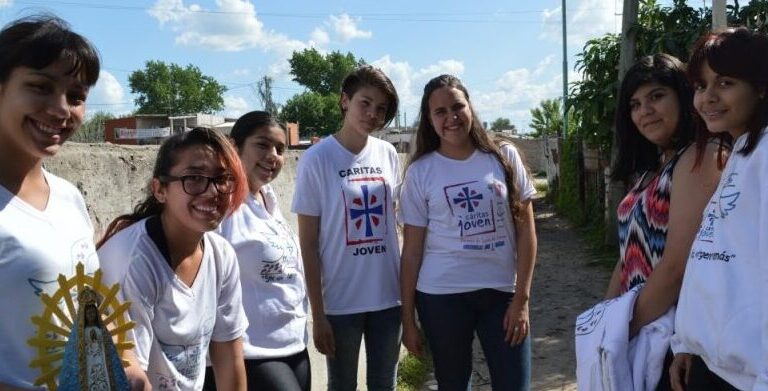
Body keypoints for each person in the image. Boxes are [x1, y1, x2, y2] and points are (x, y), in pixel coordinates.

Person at [0, 15, 146, 390]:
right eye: (40, 87)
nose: (62, 109)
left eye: (77, 96)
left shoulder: (68, 197)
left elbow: (89, 303)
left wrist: (126, 364)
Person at [399, 74, 537, 391]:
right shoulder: (421, 172)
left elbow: (526, 232)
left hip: (501, 294)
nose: (451, 117)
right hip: (440, 297)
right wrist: (408, 321)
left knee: (515, 384)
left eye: (457, 106)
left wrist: (522, 299)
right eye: (440, 111)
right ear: (429, 120)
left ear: (470, 107)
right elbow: (412, 252)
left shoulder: (503, 157)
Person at [600, 53, 726, 389]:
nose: (644, 111)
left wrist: (621, 328)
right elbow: (628, 254)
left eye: (656, 96)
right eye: (635, 104)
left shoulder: (701, 156)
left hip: (676, 336)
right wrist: (605, 317)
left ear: (683, 98)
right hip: (643, 327)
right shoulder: (650, 169)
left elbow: (676, 267)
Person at [97, 127, 250, 390]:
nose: (213, 191)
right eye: (194, 178)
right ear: (160, 190)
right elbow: (130, 374)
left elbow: (229, 356)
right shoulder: (135, 260)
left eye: (223, 178)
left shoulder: (221, 254)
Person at [291, 65, 402, 391]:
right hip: (340, 303)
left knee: (385, 384)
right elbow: (308, 243)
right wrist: (318, 314)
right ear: (344, 101)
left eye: (381, 109)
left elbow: (396, 226)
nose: (372, 114)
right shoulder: (317, 158)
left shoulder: (388, 154)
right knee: (342, 386)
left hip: (387, 298)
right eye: (364, 103)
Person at [669, 27, 768, 391]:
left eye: (725, 83)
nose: (707, 97)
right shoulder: (742, 152)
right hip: (714, 365)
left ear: (760, 86)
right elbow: (712, 261)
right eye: (700, 85)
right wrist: (689, 342)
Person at [204, 111, 310, 391]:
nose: (273, 156)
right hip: (252, 351)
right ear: (234, 147)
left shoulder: (269, 202)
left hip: (294, 344)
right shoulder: (221, 206)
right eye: (262, 145)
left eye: (280, 149)